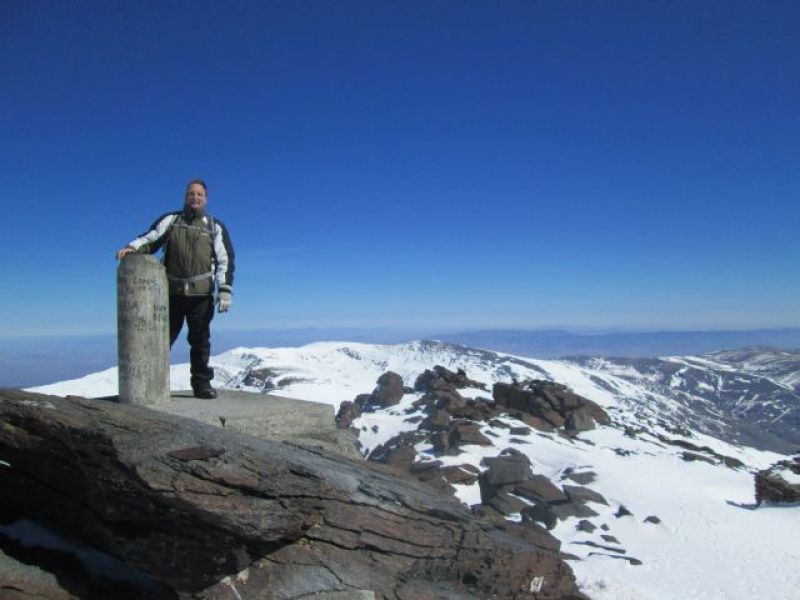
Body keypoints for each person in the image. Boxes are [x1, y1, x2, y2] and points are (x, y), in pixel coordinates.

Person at [116, 179, 235, 399]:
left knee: (200, 341)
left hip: (201, 296)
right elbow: (152, 238)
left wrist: (225, 288)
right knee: (162, 339)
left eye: (199, 195)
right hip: (172, 294)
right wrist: (132, 247)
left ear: (205, 199)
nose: (195, 198)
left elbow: (224, 260)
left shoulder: (214, 227)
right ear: (185, 197)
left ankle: (201, 385)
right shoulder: (172, 221)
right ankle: (152, 384)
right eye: (191, 194)